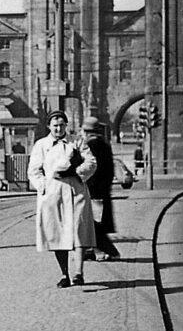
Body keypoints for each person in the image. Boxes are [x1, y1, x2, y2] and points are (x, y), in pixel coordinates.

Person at [27, 110, 97, 288]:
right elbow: (34, 170)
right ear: (49, 126)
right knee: (57, 234)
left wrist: (75, 171)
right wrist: (44, 187)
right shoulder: (41, 145)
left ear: (66, 125)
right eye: (55, 125)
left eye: (62, 125)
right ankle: (64, 273)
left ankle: (79, 273)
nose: (58, 129)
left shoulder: (77, 142)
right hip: (53, 194)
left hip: (76, 191)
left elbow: (91, 162)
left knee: (79, 230)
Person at [80, 116, 120, 261]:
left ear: (86, 131)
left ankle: (109, 251)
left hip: (92, 191)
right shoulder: (105, 144)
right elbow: (109, 170)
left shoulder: (90, 146)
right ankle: (89, 251)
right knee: (94, 222)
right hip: (102, 190)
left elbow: (91, 170)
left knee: (93, 223)